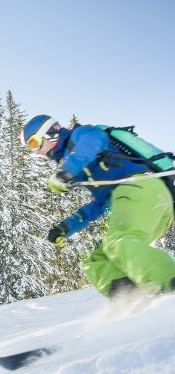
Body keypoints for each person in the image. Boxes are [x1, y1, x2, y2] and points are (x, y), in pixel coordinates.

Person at [21, 114, 175, 298]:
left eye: (33, 143)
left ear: (49, 133)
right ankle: (129, 299)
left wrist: (66, 172)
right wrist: (66, 227)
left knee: (119, 241)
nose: (35, 151)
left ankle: (169, 287)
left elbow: (94, 141)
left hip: (142, 188)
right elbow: (100, 204)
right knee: (97, 259)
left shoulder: (81, 135)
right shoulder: (80, 162)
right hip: (146, 201)